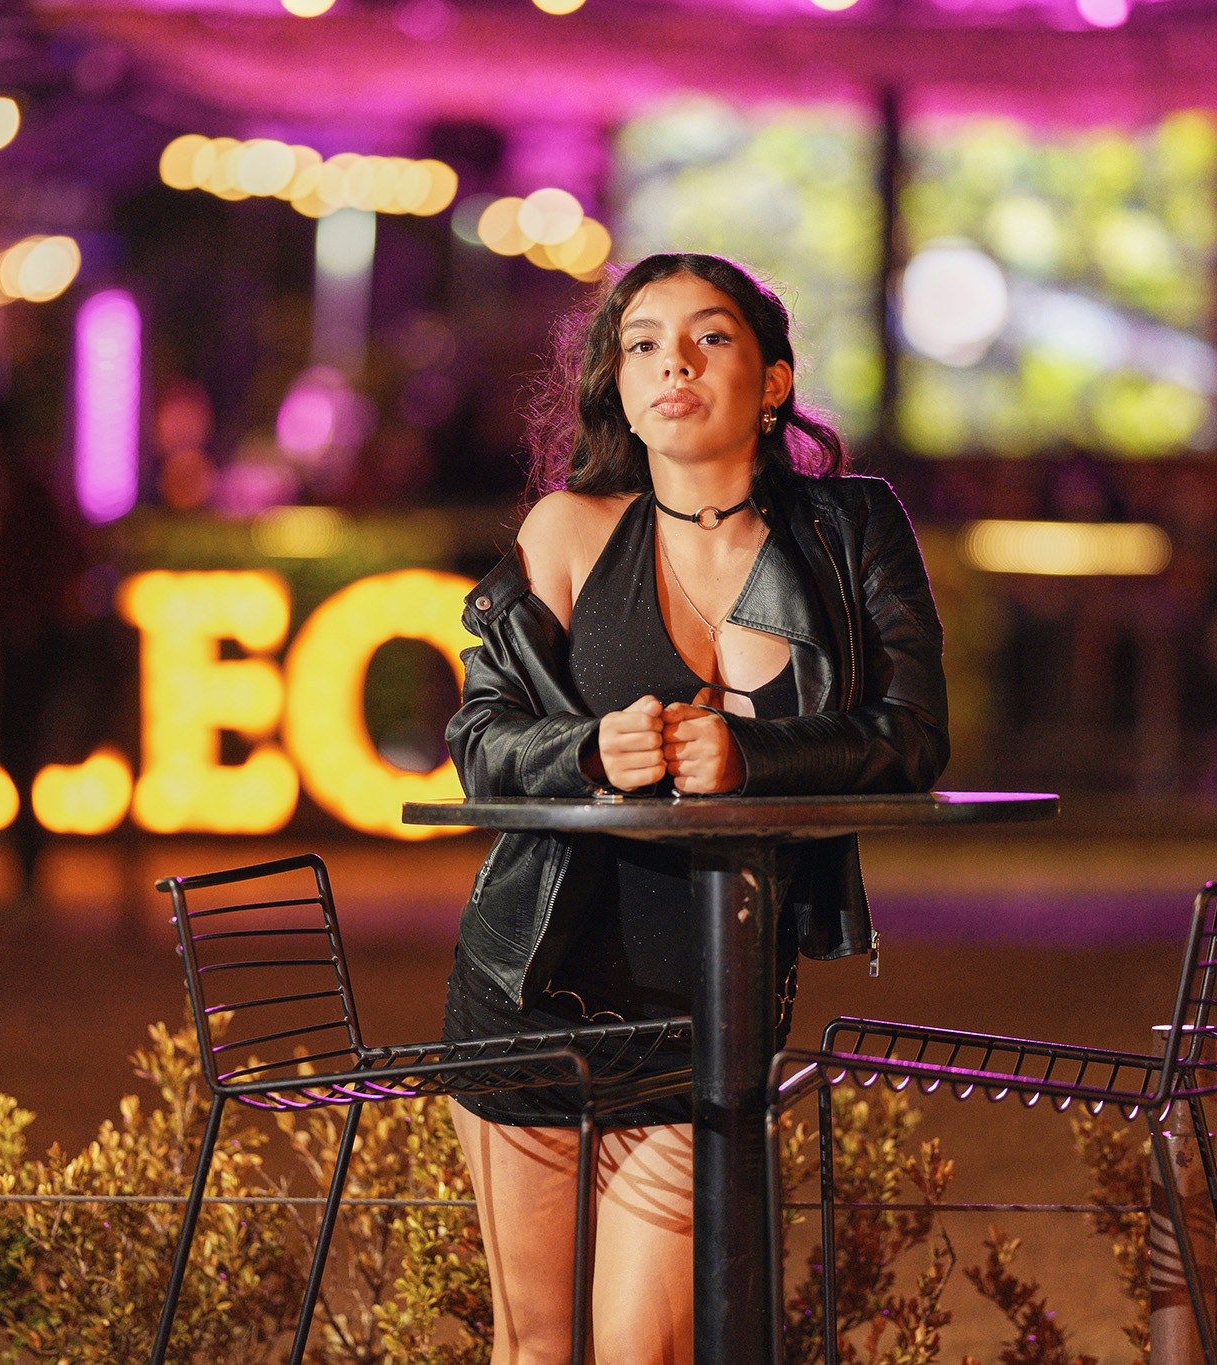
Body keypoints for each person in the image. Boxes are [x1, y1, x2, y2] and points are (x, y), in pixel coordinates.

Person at [442, 252, 951, 1365]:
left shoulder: (850, 527)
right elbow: (479, 744)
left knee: (646, 1351)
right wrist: (588, 747)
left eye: (709, 337)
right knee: (536, 1348)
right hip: (524, 994)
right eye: (642, 345)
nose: (673, 362)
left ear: (772, 380)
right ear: (619, 389)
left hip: (707, 1017)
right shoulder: (566, 529)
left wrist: (750, 756)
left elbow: (912, 739)